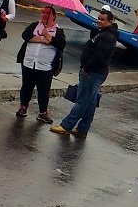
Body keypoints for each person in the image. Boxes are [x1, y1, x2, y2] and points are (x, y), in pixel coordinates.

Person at [50, 9, 118, 137]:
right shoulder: (104, 33)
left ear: (110, 22)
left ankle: (66, 125)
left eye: (103, 20)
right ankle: (83, 128)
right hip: (96, 72)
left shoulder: (106, 37)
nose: (99, 21)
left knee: (82, 101)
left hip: (92, 73)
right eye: (98, 18)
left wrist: (87, 68)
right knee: (91, 101)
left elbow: (99, 56)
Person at [15, 5, 66, 124]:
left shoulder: (58, 30)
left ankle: (43, 112)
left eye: (48, 13)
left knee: (43, 90)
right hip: (29, 63)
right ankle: (23, 107)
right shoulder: (35, 25)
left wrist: (48, 36)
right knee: (26, 86)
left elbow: (61, 43)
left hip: (45, 66)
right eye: (43, 12)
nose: (45, 15)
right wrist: (42, 40)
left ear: (54, 16)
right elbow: (26, 36)